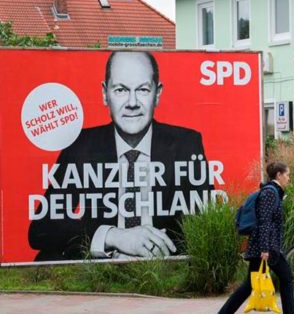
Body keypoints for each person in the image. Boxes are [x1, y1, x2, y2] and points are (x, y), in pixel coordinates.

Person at [28, 51, 214, 261]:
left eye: (143, 90)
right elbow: (40, 230)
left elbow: (203, 221)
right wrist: (113, 236)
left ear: (157, 94)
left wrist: (147, 246)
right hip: (100, 266)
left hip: (162, 265)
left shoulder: (185, 144)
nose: (132, 102)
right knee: (45, 256)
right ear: (105, 94)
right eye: (121, 90)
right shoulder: (81, 145)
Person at [219, 162, 294, 314]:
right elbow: (264, 222)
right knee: (286, 277)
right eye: (287, 175)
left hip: (265, 246)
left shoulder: (274, 192)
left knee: (249, 285)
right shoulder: (270, 193)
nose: (288, 178)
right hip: (266, 247)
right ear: (278, 175)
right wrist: (265, 249)